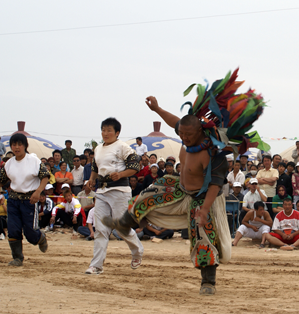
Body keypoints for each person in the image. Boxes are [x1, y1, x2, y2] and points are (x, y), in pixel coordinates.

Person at [105, 71, 265, 294]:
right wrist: (157, 109)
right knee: (151, 192)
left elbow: (215, 185)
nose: (184, 138)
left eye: (188, 135)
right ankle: (125, 223)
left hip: (204, 197)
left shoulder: (213, 153)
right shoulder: (186, 133)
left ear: (199, 131)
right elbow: (175, 121)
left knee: (204, 236)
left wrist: (205, 210)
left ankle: (208, 281)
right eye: (181, 134)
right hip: (180, 188)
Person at [83, 117, 144, 275]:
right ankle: (96, 266)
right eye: (103, 130)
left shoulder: (123, 147)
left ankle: (137, 251)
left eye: (109, 130)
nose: (105, 133)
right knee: (100, 229)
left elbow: (135, 166)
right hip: (102, 191)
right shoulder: (98, 149)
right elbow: (95, 168)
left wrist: (121, 174)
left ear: (117, 133)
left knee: (121, 228)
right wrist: (91, 180)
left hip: (119, 191)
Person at [0, 133, 49, 265]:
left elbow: (45, 176)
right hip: (13, 200)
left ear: (25, 146)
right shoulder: (9, 164)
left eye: (20, 144)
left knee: (30, 234)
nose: (17, 147)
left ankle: (40, 238)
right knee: (13, 230)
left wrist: (38, 191)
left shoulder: (34, 161)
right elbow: (0, 180)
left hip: (29, 201)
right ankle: (17, 258)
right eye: (14, 145)